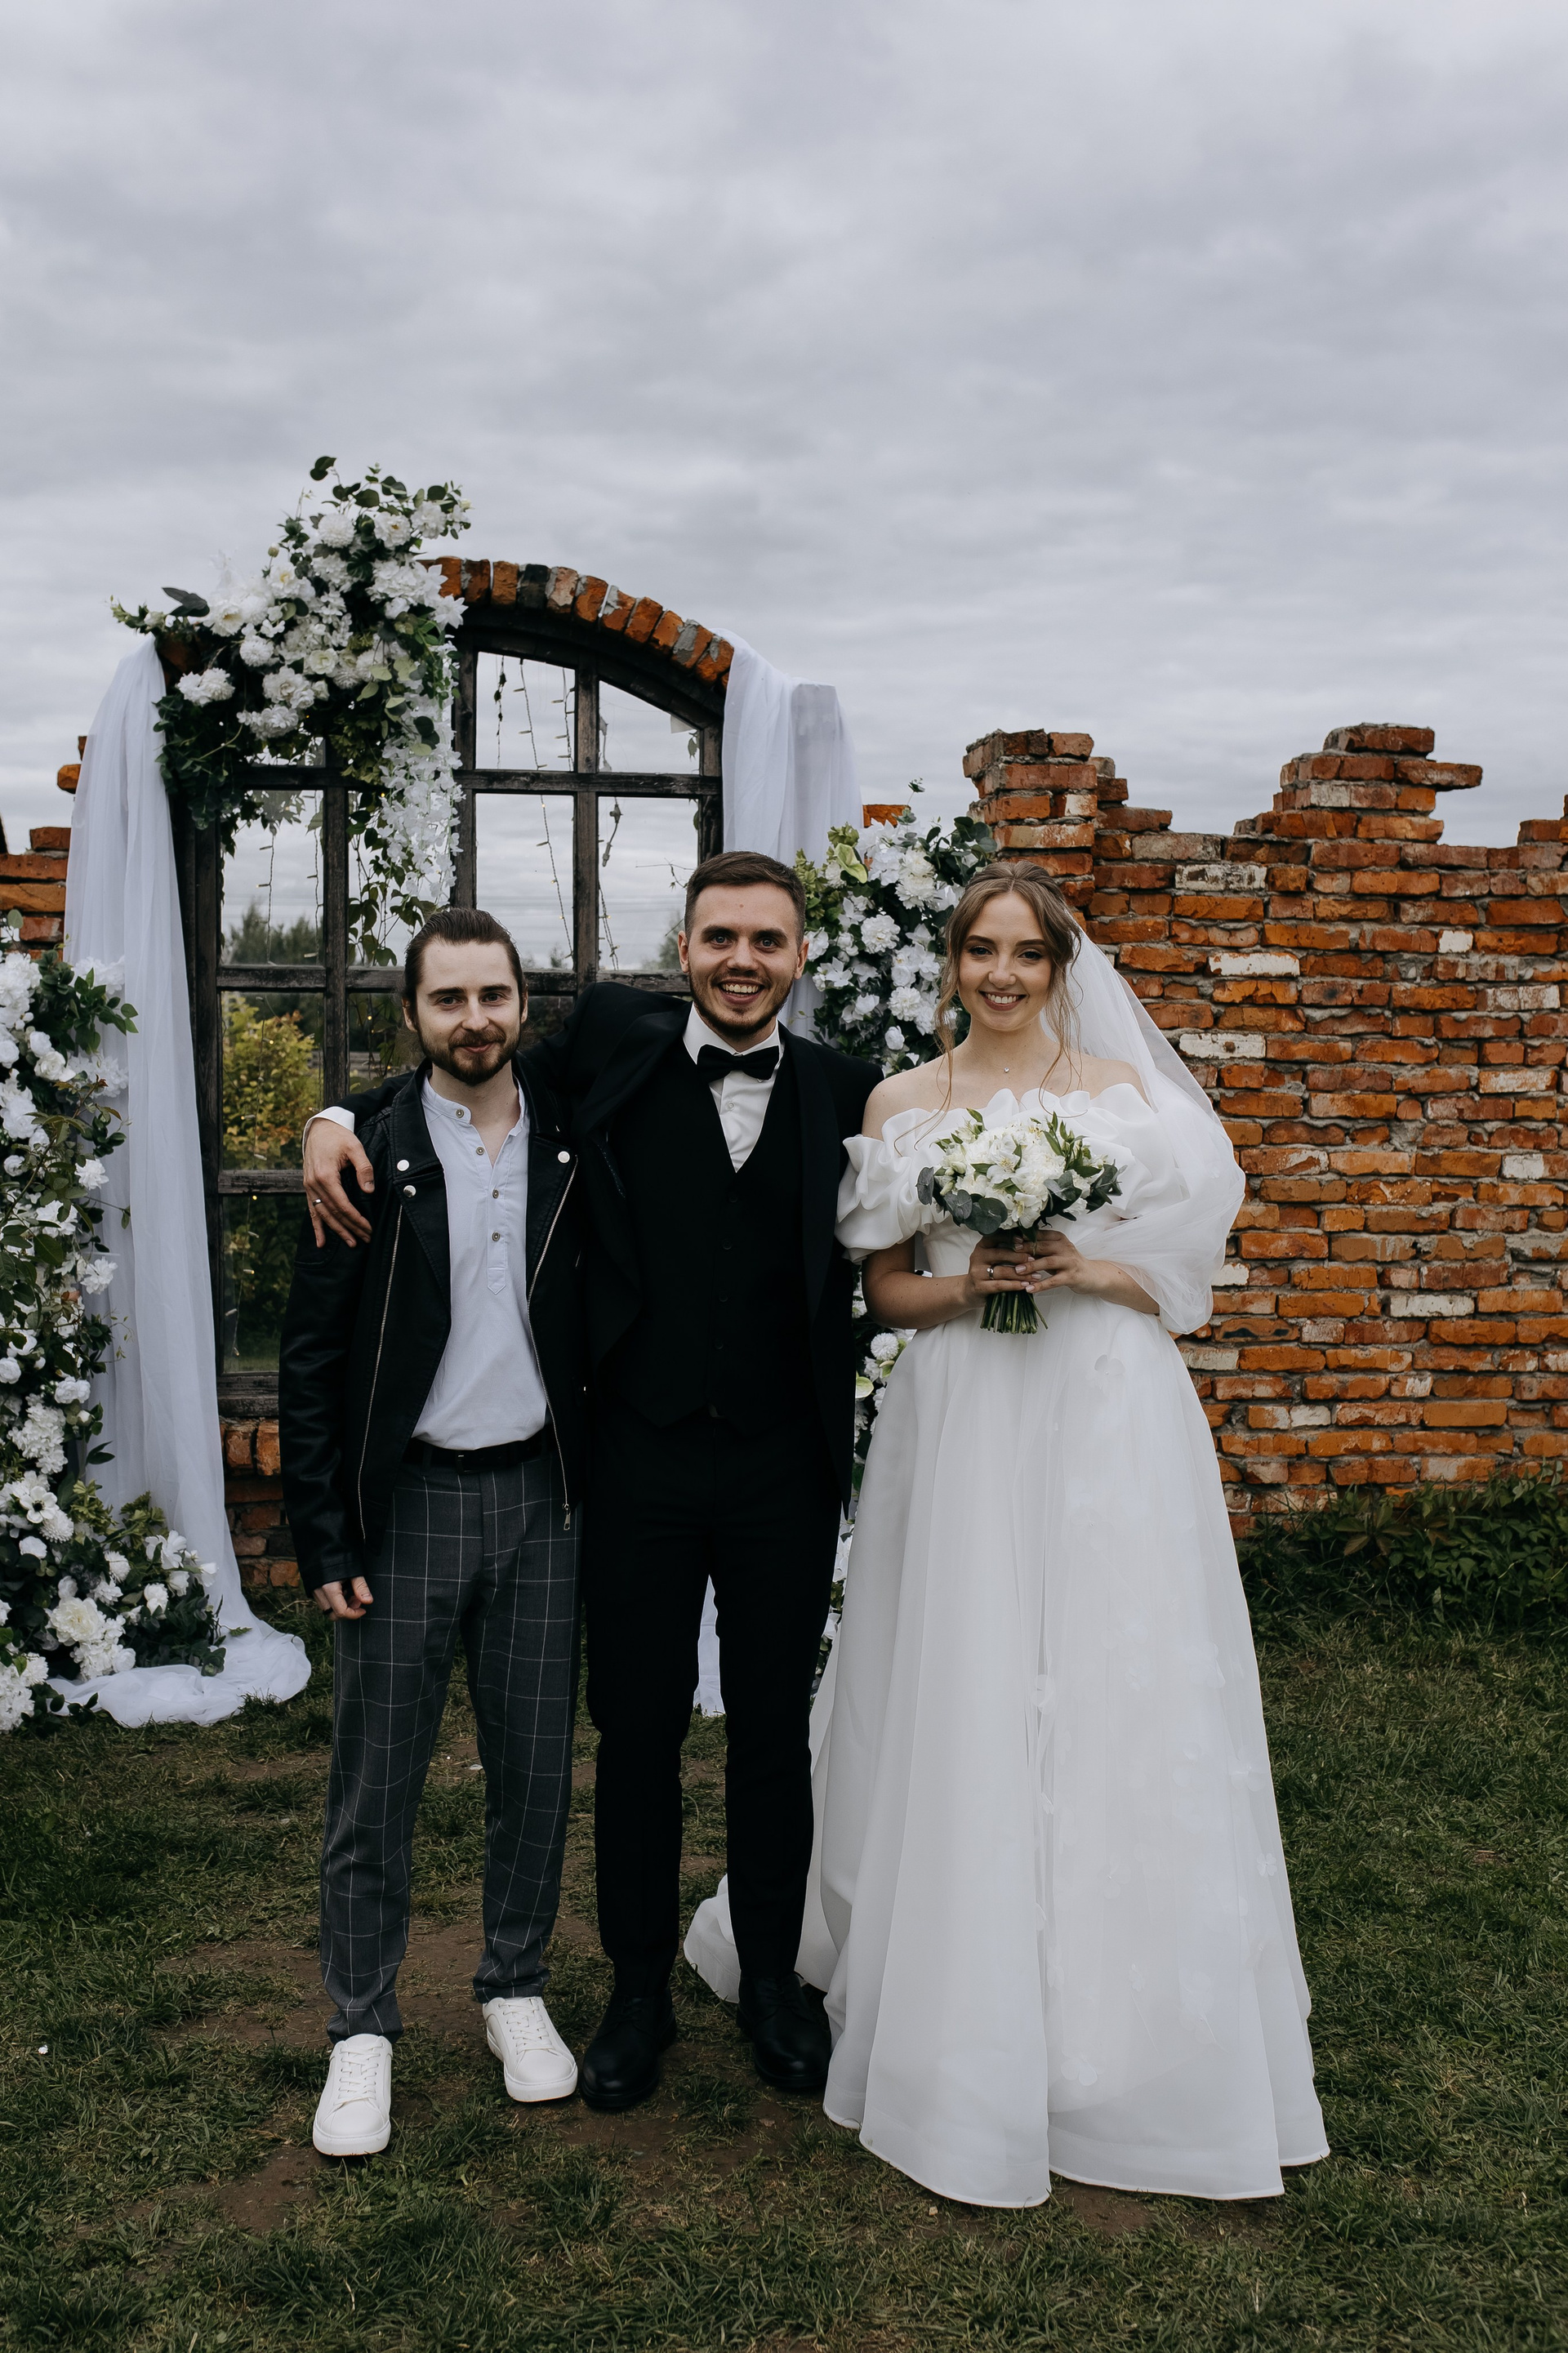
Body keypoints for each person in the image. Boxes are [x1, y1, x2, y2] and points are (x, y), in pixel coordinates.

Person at [689, 862, 1330, 2209]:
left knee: (1110, 1678)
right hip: (966, 1411)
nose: (1001, 974)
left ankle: (1114, 2015)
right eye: (980, 950)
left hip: (1103, 1407)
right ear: (952, 963)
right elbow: (882, 1289)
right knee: (963, 1670)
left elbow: (1187, 1275)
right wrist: (971, 1281)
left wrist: (1084, 1266)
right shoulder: (901, 1104)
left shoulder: (1127, 1097)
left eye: (1026, 953)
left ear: (1058, 966)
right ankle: (952, 1983)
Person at [301, 849, 880, 2113]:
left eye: (767, 940)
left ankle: (772, 1984)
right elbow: (460, 1063)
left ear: (800, 955)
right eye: (719, 936)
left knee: (773, 1736)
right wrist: (330, 1118)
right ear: (684, 949)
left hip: (782, 1468)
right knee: (635, 1732)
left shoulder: (851, 1093)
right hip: (635, 1463)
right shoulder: (616, 1042)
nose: (741, 960)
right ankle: (634, 1993)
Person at [280, 907, 590, 2158]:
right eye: (448, 998)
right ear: (410, 1013)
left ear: (524, 1003)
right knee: (377, 1779)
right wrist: (325, 1536)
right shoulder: (368, 1153)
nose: (474, 1019)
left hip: (542, 1498)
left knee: (535, 1768)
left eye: (493, 995)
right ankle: (362, 2023)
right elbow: (311, 1360)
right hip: (405, 1502)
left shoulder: (573, 1130)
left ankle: (515, 1984)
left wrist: (327, 1109)